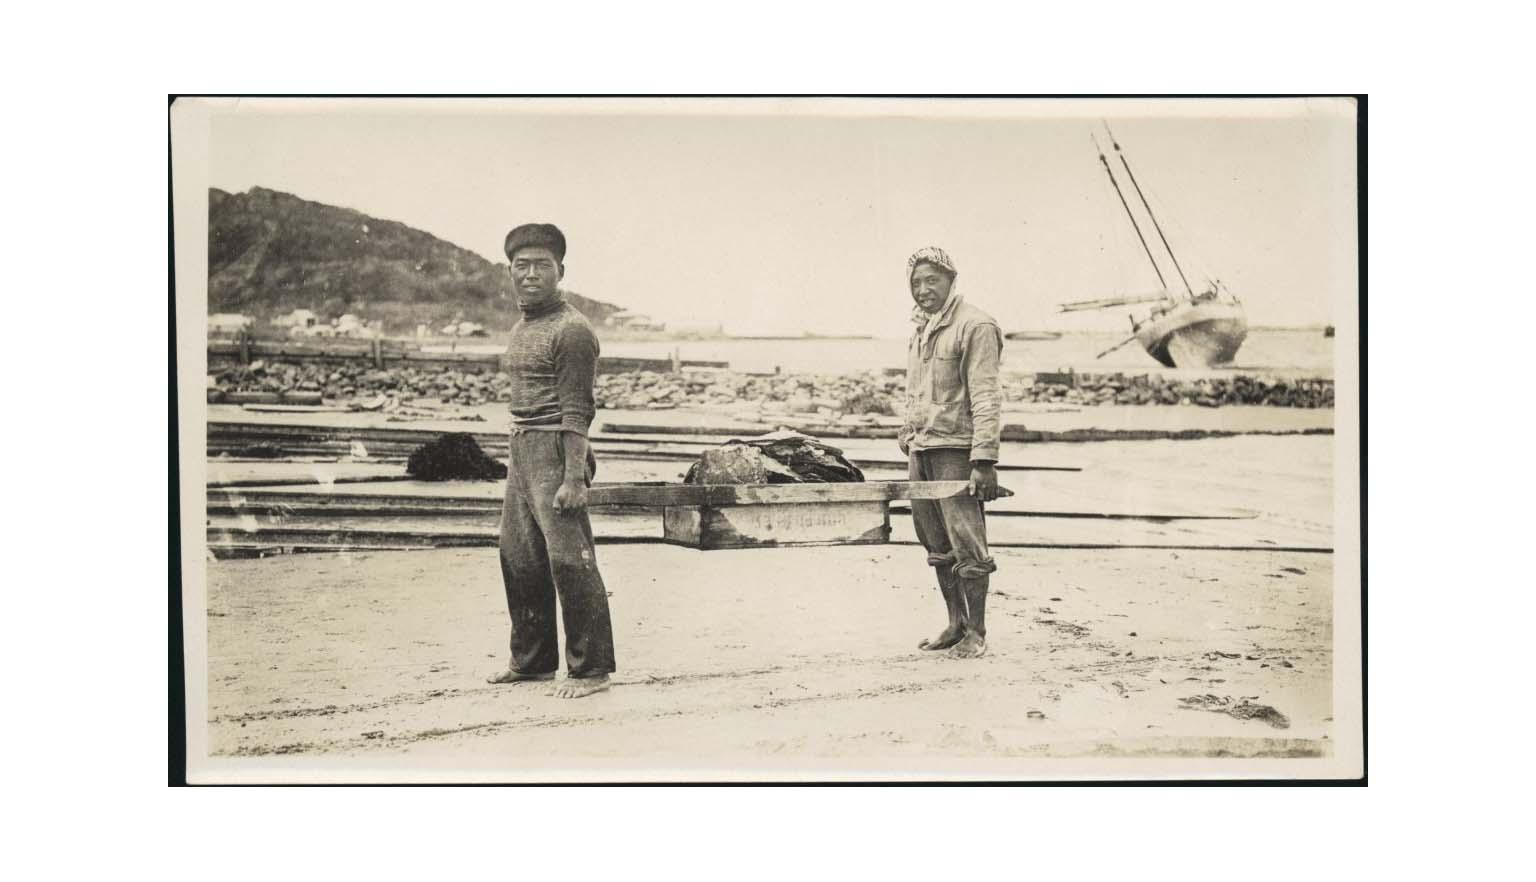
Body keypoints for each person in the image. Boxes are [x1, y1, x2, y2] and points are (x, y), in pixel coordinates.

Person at [486, 223, 616, 698]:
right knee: (519, 557)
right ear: (510, 271)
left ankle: (592, 670)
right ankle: (533, 662)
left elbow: (578, 411)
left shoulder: (572, 330)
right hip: (522, 448)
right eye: (522, 265)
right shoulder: (523, 326)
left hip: (558, 451)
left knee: (570, 561)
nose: (531, 274)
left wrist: (574, 477)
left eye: (542, 265)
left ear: (561, 271)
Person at [897, 247, 1004, 659]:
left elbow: (986, 396)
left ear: (951, 280)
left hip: (956, 453)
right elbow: (919, 391)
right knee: (936, 544)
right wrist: (908, 430)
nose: (923, 289)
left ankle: (977, 631)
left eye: (932, 280)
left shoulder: (976, 326)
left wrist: (984, 461)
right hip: (921, 451)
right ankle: (955, 623)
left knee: (967, 544)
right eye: (916, 282)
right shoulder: (921, 329)